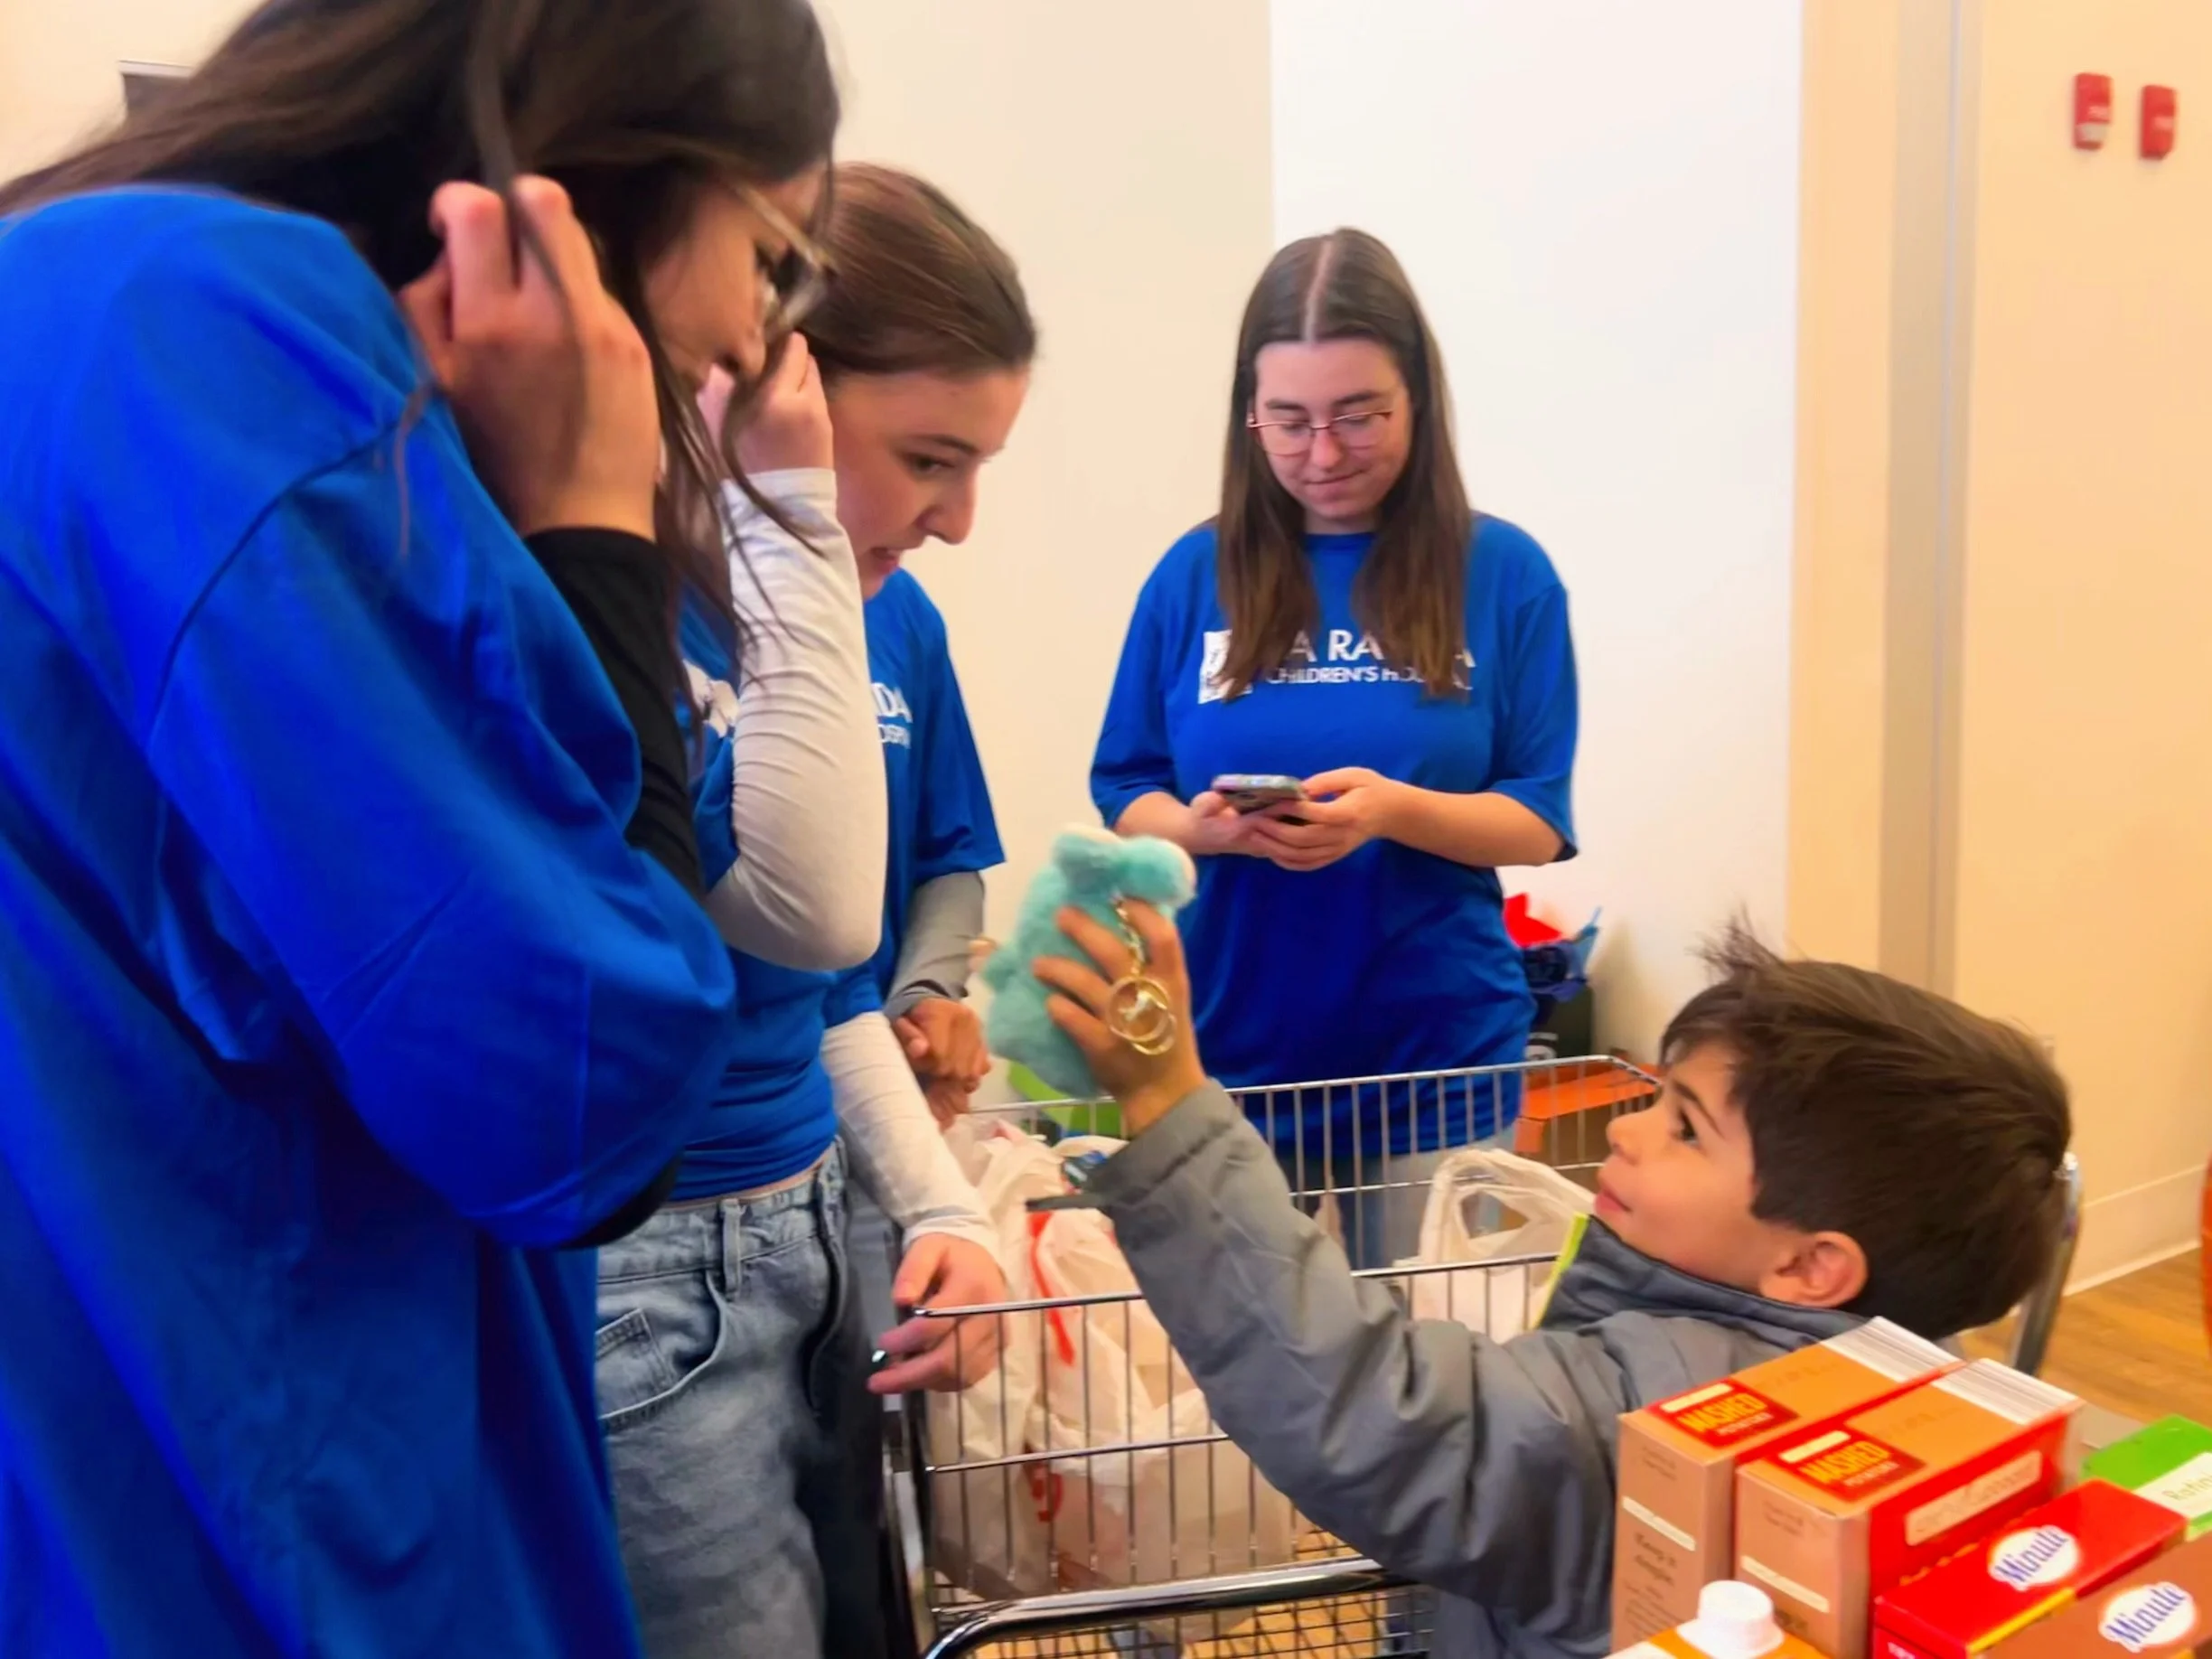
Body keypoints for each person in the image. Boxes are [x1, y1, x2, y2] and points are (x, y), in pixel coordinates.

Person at [0, 1, 841, 1654]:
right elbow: (580, 1102)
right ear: (612, 163)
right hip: (269, 1516)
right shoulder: (242, 350)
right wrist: (593, 530)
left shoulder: (73, 295)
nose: (754, 340)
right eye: (772, 257)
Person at [1033, 909, 2072, 1659]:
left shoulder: (1654, 1413)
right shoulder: (1912, 1382)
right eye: (1654, 1098)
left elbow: (1366, 1404)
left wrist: (1170, 1105)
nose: (1625, 1130)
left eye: (1683, 1128)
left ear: (1808, 1266)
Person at [593, 163, 1032, 1659]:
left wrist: (940, 1207)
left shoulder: (872, 611)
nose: (957, 518)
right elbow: (820, 912)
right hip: (652, 1276)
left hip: (815, 1227)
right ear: (767, 382)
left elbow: (827, 987)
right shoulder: (624, 609)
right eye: (928, 459)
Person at [1090, 229, 1579, 1268]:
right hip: (1232, 1054)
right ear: (1250, 413)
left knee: (1437, 1352)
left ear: (1418, 400)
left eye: (1359, 416)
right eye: (1290, 420)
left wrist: (1391, 811)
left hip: (1436, 1060)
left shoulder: (1503, 573)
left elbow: (1536, 820)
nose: (1323, 454)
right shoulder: (1192, 574)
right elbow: (1126, 787)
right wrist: (1206, 831)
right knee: (1245, 1356)